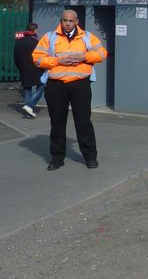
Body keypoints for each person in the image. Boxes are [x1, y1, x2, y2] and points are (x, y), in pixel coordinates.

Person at [33, 10, 107, 171]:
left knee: (84, 122)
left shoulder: (87, 37)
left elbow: (102, 54)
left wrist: (84, 57)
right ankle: (57, 158)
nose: (67, 23)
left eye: (71, 21)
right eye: (65, 20)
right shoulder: (49, 37)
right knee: (57, 122)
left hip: (80, 85)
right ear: (61, 21)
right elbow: (37, 59)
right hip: (56, 85)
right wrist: (58, 60)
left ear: (76, 22)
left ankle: (90, 156)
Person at [13, 23, 44, 118]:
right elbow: (41, 55)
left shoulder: (19, 42)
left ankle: (28, 112)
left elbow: (16, 57)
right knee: (42, 85)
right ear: (35, 31)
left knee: (27, 88)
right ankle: (29, 105)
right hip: (36, 68)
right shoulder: (37, 41)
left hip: (23, 68)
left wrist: (20, 67)